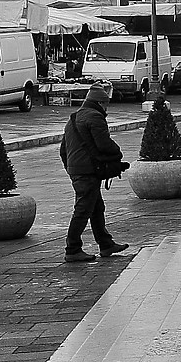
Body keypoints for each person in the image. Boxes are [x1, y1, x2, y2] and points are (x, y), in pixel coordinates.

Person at [58, 86, 131, 262]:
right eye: (105, 104)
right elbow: (104, 144)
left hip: (78, 170)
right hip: (88, 172)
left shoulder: (74, 118)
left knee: (96, 207)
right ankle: (72, 248)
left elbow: (63, 150)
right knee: (83, 210)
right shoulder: (95, 117)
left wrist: (71, 169)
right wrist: (117, 155)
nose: (106, 109)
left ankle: (106, 244)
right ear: (99, 103)